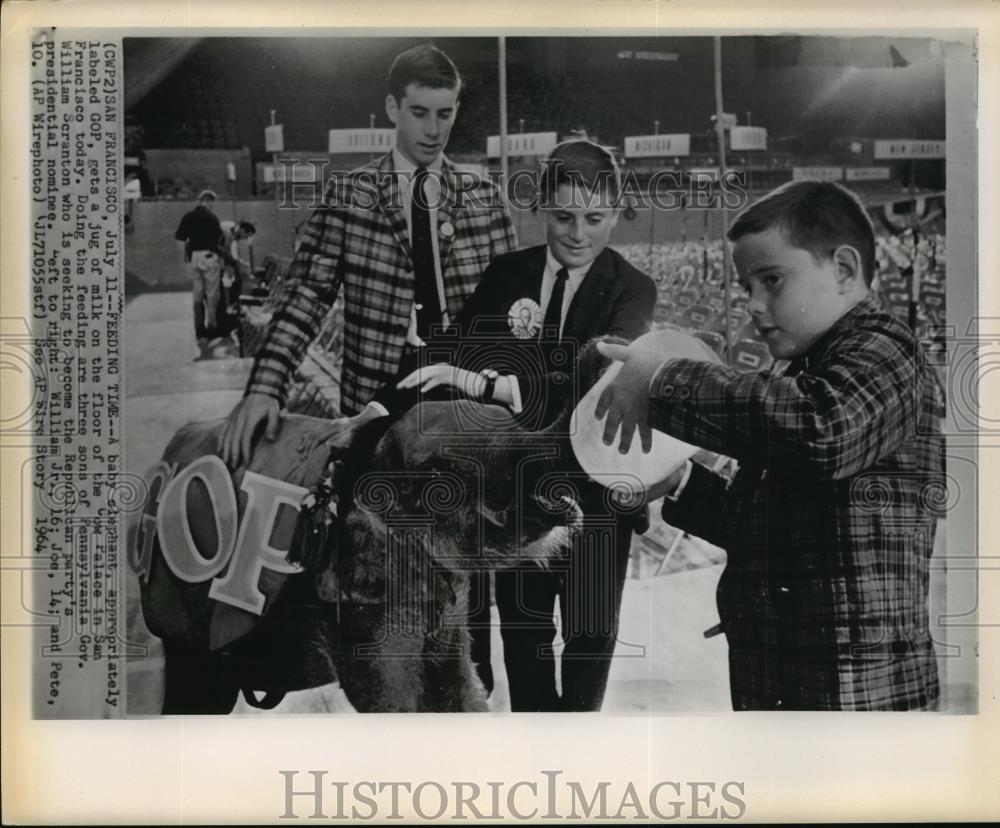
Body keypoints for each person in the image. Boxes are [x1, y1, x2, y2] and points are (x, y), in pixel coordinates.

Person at [595, 180, 944, 711]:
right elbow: (756, 523)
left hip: (859, 692)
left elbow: (822, 433)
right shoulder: (804, 371)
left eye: (772, 281)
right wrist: (680, 482)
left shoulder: (887, 349)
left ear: (845, 270)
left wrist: (662, 378)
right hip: (784, 677)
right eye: (746, 287)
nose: (755, 305)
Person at [348, 138, 657, 711]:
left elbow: (596, 381)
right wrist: (380, 407)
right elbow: (451, 353)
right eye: (564, 216)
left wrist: (492, 386)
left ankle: (580, 756)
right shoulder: (506, 273)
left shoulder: (632, 289)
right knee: (525, 634)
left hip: (593, 495)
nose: (579, 233)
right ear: (541, 208)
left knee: (590, 638)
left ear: (615, 212)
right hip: (510, 494)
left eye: (595, 218)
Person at [220, 43, 516, 463]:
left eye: (444, 114)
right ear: (392, 108)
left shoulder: (485, 198)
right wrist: (265, 388)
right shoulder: (347, 195)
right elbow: (305, 298)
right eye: (419, 113)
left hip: (467, 409)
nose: (433, 130)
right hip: (372, 412)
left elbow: (515, 314)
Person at [174, 188, 224, 357]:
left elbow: (180, 237)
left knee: (197, 294)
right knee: (212, 293)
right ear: (209, 201)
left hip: (194, 258)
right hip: (209, 257)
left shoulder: (188, 216)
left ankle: (199, 330)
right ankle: (211, 326)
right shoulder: (211, 217)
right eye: (212, 203)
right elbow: (218, 239)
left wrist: (187, 257)